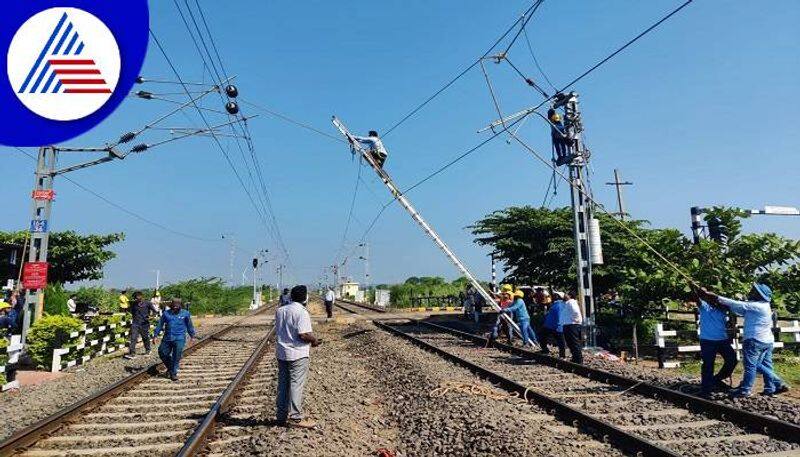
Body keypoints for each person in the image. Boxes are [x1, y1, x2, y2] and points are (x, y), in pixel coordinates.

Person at [699, 284, 790, 398]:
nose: (750, 292)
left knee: (752, 366)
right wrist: (710, 297)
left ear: (759, 295)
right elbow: (739, 309)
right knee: (765, 365)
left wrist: (716, 297)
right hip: (767, 340)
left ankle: (748, 389)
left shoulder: (756, 306)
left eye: (753, 291)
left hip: (755, 340)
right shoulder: (763, 306)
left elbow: (737, 304)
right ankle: (770, 388)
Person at [275, 285, 320, 428]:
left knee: (283, 385)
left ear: (291, 296)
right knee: (296, 385)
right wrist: (314, 340)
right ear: (305, 298)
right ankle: (296, 417)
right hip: (298, 354)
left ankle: (281, 416)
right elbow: (303, 334)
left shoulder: (280, 311)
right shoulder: (302, 312)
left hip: (282, 353)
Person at [695, 296, 737, 396]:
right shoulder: (704, 306)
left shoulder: (722, 308)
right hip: (707, 341)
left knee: (732, 360)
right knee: (708, 365)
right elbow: (697, 298)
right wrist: (695, 289)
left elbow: (731, 309)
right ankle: (706, 389)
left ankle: (716, 379)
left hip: (722, 340)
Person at [153, 298, 196, 381]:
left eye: (177, 306)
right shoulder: (166, 314)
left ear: (180, 305)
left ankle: (173, 373)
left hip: (179, 338)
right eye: (174, 306)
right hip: (167, 338)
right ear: (171, 305)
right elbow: (160, 325)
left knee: (176, 356)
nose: (175, 307)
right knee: (162, 352)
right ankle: (171, 368)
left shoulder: (185, 313)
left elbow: (189, 325)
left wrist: (192, 336)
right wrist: (155, 335)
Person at [124, 291, 160, 360]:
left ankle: (148, 350)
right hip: (135, 323)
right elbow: (129, 311)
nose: (135, 299)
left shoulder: (148, 303)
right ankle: (132, 353)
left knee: (145, 338)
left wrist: (152, 316)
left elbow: (155, 311)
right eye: (135, 298)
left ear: (141, 297)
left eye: (136, 298)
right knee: (133, 338)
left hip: (144, 324)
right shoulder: (133, 304)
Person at [559, 291, 584, 364]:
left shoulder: (571, 302)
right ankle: (575, 358)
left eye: (566, 294)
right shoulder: (567, 303)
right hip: (568, 324)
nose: (565, 295)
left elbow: (575, 312)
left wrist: (575, 321)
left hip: (572, 325)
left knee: (574, 343)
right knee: (570, 343)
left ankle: (578, 360)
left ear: (570, 296)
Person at [540, 292, 566, 357]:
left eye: (555, 295)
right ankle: (545, 350)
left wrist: (559, 325)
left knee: (560, 340)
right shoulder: (556, 304)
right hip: (550, 325)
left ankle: (562, 355)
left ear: (559, 297)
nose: (553, 296)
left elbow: (559, 316)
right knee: (543, 337)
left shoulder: (559, 305)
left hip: (555, 326)